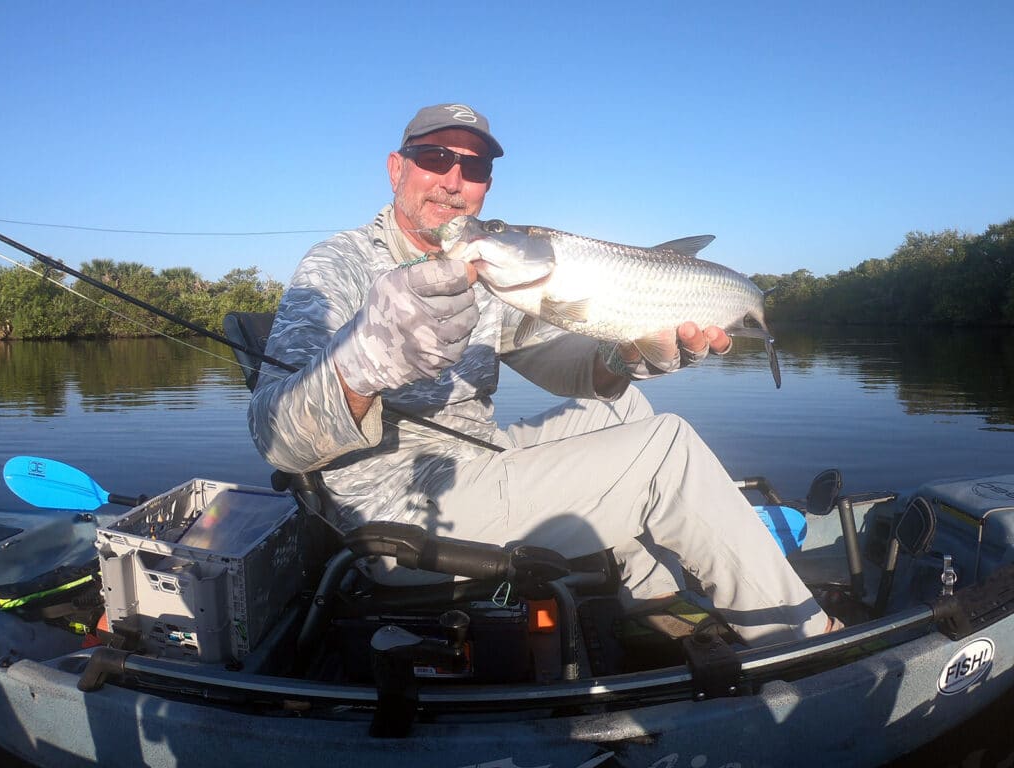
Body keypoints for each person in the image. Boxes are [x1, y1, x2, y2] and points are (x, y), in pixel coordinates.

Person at [249, 103, 832, 645]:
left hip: (474, 461)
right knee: (667, 451)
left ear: (486, 187)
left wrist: (626, 356)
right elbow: (276, 441)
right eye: (434, 159)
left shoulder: (490, 270)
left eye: (472, 167)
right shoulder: (337, 265)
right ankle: (807, 641)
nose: (453, 180)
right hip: (401, 514)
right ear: (396, 168)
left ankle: (655, 601)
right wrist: (360, 363)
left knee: (621, 408)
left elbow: (564, 365)